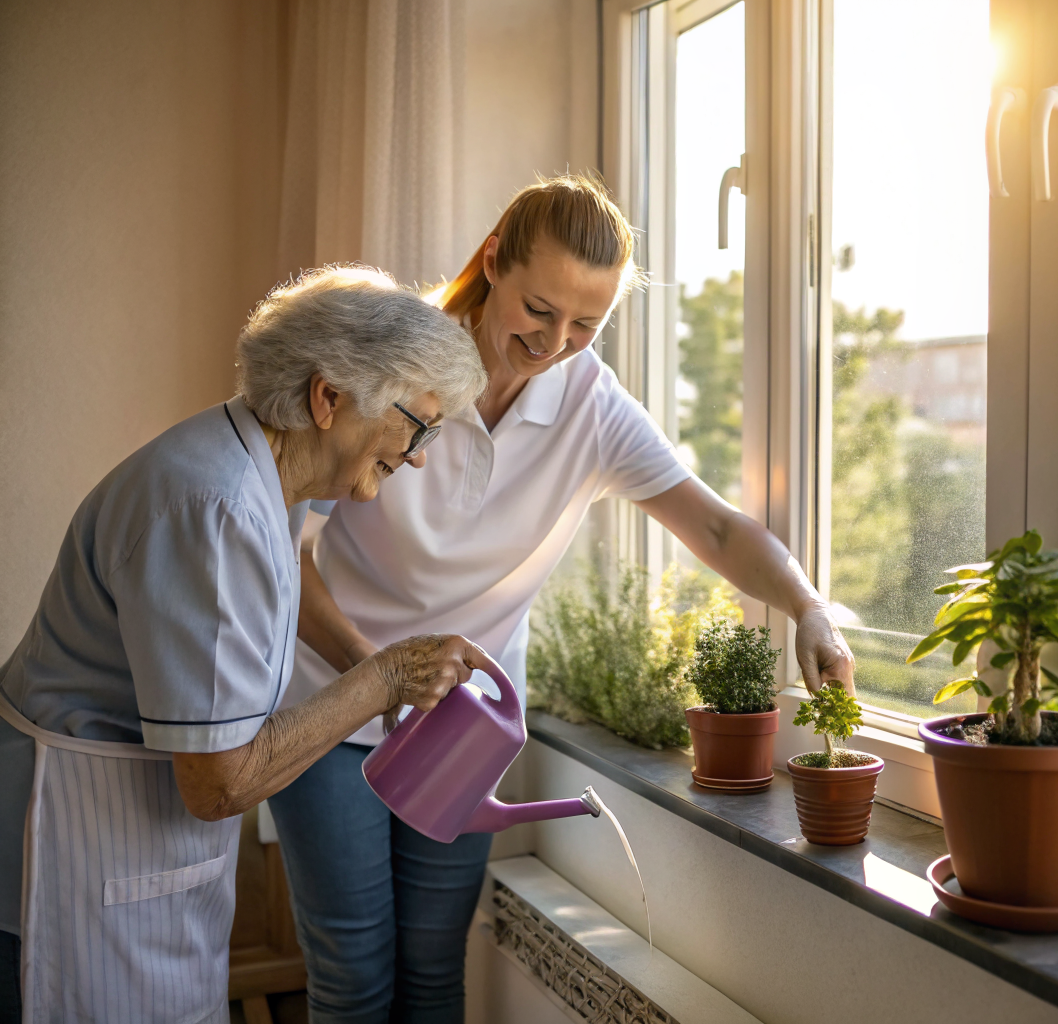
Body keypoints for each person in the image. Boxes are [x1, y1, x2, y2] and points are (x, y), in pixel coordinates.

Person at [273, 175, 857, 1023]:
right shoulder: (397, 366)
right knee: (353, 978)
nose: (554, 342)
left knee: (434, 969)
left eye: (587, 324)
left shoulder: (591, 406)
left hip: (456, 729)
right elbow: (284, 556)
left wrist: (807, 605)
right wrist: (377, 679)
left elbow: (720, 530)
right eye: (538, 310)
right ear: (493, 260)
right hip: (325, 706)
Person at [0, 267, 491, 1024]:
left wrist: (372, 667)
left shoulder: (261, 470)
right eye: (416, 425)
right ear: (327, 399)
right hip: (75, 838)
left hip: (132, 842)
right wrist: (388, 676)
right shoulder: (215, 506)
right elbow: (219, 784)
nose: (419, 454)